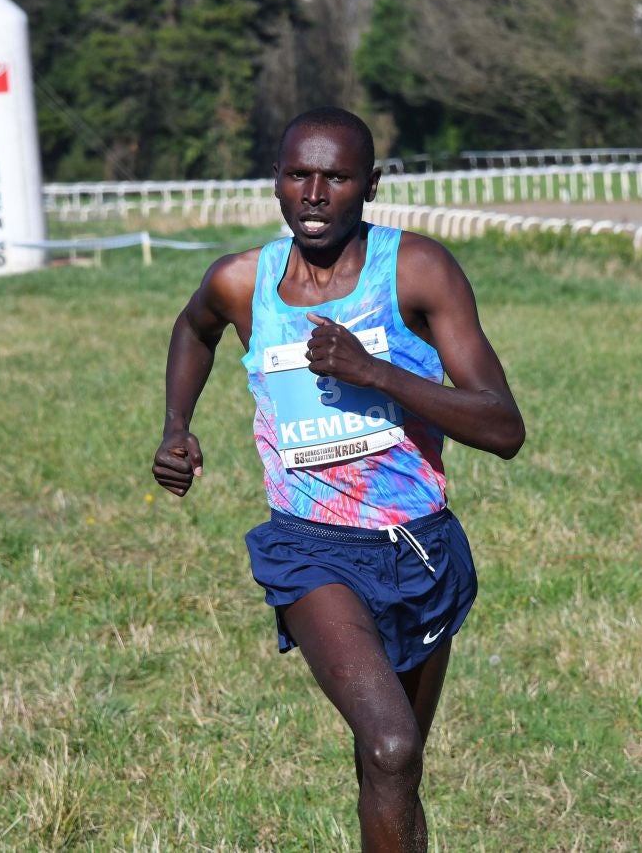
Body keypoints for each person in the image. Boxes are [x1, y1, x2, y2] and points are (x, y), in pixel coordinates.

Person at [151, 107, 525, 851]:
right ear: (278, 183)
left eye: (336, 177)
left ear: (371, 185)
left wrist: (373, 372)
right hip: (311, 550)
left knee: (392, 767)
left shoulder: (416, 270)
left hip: (419, 549)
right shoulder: (240, 282)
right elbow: (194, 329)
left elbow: (502, 427)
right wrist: (175, 427)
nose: (314, 194)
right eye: (298, 175)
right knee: (391, 745)